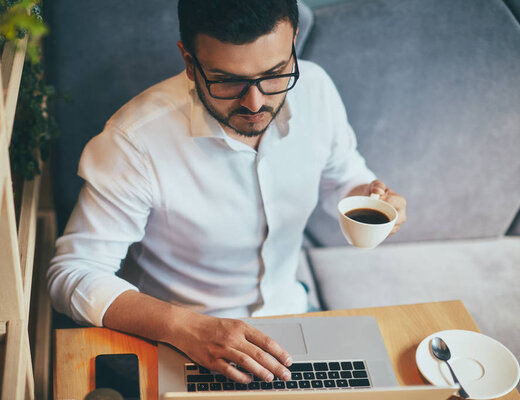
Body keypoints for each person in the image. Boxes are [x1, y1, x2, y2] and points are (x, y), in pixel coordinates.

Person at [48, 0, 407, 386]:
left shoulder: (316, 88)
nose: (255, 103)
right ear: (189, 60)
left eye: (274, 74)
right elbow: (72, 273)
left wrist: (374, 196)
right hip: (184, 342)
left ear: (294, 43)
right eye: (227, 80)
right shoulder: (133, 142)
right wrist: (183, 327)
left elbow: (345, 176)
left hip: (295, 315)